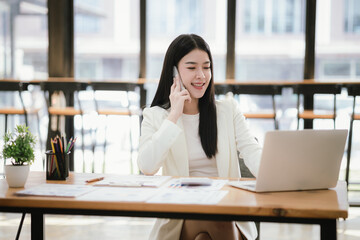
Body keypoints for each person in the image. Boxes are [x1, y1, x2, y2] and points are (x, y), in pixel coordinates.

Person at [137, 34, 262, 240]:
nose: (201, 75)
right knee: (216, 221)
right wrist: (174, 115)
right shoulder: (157, 116)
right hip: (181, 214)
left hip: (229, 211)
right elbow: (147, 167)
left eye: (206, 67)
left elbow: (251, 150)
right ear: (174, 72)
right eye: (192, 67)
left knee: (212, 228)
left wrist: (276, 177)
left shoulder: (227, 110)